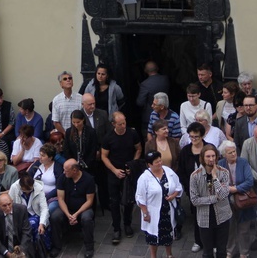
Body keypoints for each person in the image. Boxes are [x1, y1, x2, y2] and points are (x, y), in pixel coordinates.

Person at [101, 111, 141, 245]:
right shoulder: (108, 137)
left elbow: (138, 149)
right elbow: (104, 156)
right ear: (113, 124)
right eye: (120, 124)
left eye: (124, 123)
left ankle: (127, 224)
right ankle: (116, 228)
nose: (123, 126)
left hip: (128, 172)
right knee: (114, 202)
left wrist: (133, 164)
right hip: (114, 172)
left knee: (128, 200)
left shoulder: (132, 133)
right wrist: (114, 170)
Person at [136, 150, 182, 258]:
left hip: (168, 210)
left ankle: (169, 254)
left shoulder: (168, 172)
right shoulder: (144, 178)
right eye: (156, 162)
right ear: (149, 164)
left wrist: (173, 195)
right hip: (153, 212)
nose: (160, 163)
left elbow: (178, 186)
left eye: (160, 160)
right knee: (153, 236)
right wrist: (145, 213)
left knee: (168, 234)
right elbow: (140, 197)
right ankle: (153, 256)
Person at [190, 144, 231, 258]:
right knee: (207, 252)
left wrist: (215, 178)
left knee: (222, 251)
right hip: (205, 218)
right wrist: (214, 198)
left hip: (222, 216)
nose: (211, 159)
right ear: (202, 157)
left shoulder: (224, 173)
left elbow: (223, 195)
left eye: (213, 156)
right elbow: (194, 200)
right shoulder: (195, 176)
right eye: (208, 156)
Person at [50, 159, 96, 258]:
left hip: (83, 208)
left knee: (87, 218)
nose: (63, 172)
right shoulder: (62, 178)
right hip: (67, 208)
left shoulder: (88, 179)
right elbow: (60, 199)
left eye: (66, 170)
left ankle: (89, 247)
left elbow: (89, 201)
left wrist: (76, 214)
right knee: (55, 216)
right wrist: (68, 214)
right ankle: (56, 246)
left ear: (74, 170)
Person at [217, 140, 255, 258]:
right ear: (224, 154)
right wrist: (226, 189)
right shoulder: (220, 164)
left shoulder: (243, 162)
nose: (233, 154)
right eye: (230, 153)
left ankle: (244, 252)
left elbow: (249, 181)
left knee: (244, 229)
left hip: (243, 200)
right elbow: (217, 182)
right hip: (226, 202)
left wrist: (235, 189)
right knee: (229, 227)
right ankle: (230, 251)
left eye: (234, 151)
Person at [177, 122, 211, 252]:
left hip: (209, 189)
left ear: (202, 136)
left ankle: (211, 243)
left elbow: (215, 169)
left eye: (196, 137)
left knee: (211, 217)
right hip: (193, 191)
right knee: (197, 216)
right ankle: (198, 241)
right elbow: (181, 171)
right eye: (191, 137)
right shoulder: (186, 151)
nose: (193, 139)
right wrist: (189, 189)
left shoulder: (209, 149)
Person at [8, 174, 49, 247]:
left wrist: (42, 223)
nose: (27, 192)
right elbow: (9, 204)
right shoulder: (14, 187)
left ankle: (37, 248)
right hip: (19, 216)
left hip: (35, 214)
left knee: (33, 224)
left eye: (30, 190)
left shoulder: (39, 188)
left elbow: (44, 208)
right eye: (24, 190)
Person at [0, 193, 33, 257]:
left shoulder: (22, 209)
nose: (8, 208)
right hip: (3, 244)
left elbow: (26, 232)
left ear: (12, 201)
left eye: (9, 204)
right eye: (4, 205)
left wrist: (21, 249)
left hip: (19, 242)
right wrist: (6, 253)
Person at [29, 144, 63, 214]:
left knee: (49, 208)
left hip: (51, 198)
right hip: (34, 195)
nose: (40, 157)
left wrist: (45, 197)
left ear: (50, 158)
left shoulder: (58, 167)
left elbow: (59, 187)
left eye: (43, 156)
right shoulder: (37, 164)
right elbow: (28, 177)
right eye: (40, 155)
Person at [137, 61, 169, 130]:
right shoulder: (165, 79)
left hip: (149, 116)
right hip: (166, 113)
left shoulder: (145, 84)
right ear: (157, 68)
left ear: (145, 70)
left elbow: (140, 102)